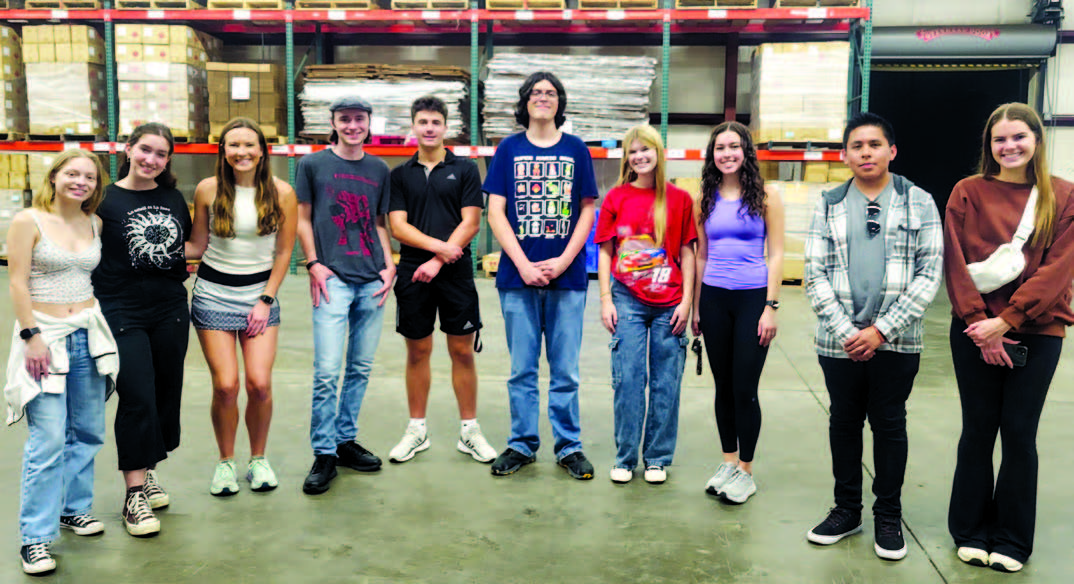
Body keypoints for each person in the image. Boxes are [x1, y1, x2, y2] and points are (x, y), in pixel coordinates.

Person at [803, 112, 943, 561]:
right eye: (857, 146)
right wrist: (848, 332)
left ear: (891, 151)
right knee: (843, 422)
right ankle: (847, 510)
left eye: (874, 144)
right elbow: (814, 273)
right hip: (838, 342)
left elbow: (930, 273)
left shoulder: (918, 201)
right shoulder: (828, 203)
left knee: (888, 424)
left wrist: (881, 330)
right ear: (845, 155)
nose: (866, 152)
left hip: (897, 341)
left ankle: (888, 514)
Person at [944, 103, 1074, 574]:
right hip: (974, 331)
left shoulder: (1062, 196)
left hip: (1038, 333)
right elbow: (954, 264)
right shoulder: (968, 192)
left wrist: (1008, 321)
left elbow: (1060, 269)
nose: (1010, 146)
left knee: (1019, 434)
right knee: (977, 431)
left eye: (1019, 137)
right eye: (1000, 139)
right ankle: (971, 530)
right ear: (989, 146)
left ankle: (1013, 538)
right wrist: (982, 324)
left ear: (1037, 139)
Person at [5, 150, 117, 575]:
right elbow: (17, 281)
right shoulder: (27, 221)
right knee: (48, 439)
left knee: (87, 431)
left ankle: (75, 509)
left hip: (88, 333)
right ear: (54, 177)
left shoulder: (94, 222)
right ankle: (34, 538)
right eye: (72, 174)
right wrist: (31, 335)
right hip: (45, 338)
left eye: (88, 177)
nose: (80, 182)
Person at [485, 71, 599, 480]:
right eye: (536, 92)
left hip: (566, 281)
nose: (543, 98)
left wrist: (568, 259)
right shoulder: (508, 149)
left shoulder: (576, 149)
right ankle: (521, 444)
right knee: (522, 369)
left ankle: (569, 446)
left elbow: (588, 208)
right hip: (518, 280)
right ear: (525, 101)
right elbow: (495, 211)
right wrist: (523, 264)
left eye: (551, 93)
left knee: (565, 371)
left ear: (559, 102)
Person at [187, 118, 298, 496]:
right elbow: (197, 245)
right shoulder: (207, 190)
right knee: (226, 385)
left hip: (259, 298)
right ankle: (225, 464)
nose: (241, 152)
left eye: (249, 145)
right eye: (233, 145)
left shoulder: (282, 192)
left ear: (263, 151)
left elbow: (284, 251)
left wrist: (266, 299)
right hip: (213, 294)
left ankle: (258, 459)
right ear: (223, 151)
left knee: (260, 384)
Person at [93, 123, 192, 537]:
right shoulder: (104, 200)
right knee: (135, 393)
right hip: (121, 310)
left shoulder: (172, 197)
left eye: (160, 154)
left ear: (168, 160)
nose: (151, 160)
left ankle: (149, 470)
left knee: (166, 394)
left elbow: (185, 248)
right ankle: (134, 495)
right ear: (128, 149)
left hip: (169, 308)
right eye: (145, 150)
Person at [386, 96, 496, 464]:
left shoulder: (465, 170)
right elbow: (398, 226)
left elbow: (472, 222)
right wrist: (438, 251)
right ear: (413, 127)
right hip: (413, 273)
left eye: (436, 121)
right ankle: (417, 429)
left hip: (455, 273)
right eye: (422, 121)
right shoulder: (400, 175)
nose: (429, 127)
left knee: (462, 351)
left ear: (446, 127)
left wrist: (439, 259)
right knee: (418, 351)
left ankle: (470, 431)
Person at [295, 96, 395, 495]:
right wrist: (314, 263)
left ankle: (344, 440)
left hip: (371, 278)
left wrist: (389, 266)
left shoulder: (379, 169)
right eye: (344, 119)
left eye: (359, 119)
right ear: (333, 123)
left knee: (360, 368)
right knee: (327, 370)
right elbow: (303, 218)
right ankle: (324, 452)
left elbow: (379, 222)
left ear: (369, 123)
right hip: (332, 277)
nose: (352, 125)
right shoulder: (313, 165)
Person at [595, 124, 696, 485]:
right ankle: (625, 457)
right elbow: (605, 252)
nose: (639, 157)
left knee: (666, 383)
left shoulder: (680, 199)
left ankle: (656, 458)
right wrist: (606, 298)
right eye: (633, 151)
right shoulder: (616, 198)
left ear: (658, 152)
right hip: (627, 300)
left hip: (670, 302)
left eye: (646, 150)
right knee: (628, 380)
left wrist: (687, 302)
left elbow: (688, 252)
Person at [691, 121, 784, 504]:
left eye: (733, 146)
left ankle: (746, 470)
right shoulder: (705, 197)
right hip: (714, 298)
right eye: (719, 148)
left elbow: (776, 253)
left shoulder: (766, 196)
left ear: (746, 151)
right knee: (723, 388)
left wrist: (770, 307)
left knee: (744, 389)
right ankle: (728, 461)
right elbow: (701, 254)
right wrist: (696, 306)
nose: (726, 153)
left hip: (752, 298)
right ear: (712, 155)